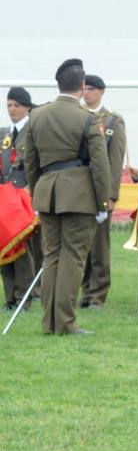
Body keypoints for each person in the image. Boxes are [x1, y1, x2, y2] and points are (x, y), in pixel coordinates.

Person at [20, 58, 110, 335]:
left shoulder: (37, 115)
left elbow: (31, 162)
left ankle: (50, 322)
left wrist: (38, 194)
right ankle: (66, 323)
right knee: (73, 257)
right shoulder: (89, 118)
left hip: (47, 193)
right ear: (82, 86)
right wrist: (102, 202)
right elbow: (100, 166)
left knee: (52, 257)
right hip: (78, 195)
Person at [79, 74, 127, 309]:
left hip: (100, 191)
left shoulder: (112, 122)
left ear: (101, 92)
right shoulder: (78, 116)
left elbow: (115, 161)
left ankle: (97, 293)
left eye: (91, 89)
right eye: (84, 88)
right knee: (82, 245)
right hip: (79, 191)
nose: (86, 93)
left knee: (99, 246)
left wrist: (110, 195)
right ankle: (85, 290)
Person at [2, 86, 36, 309]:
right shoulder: (4, 133)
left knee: (23, 249)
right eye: (9, 105)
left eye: (17, 105)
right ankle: (10, 297)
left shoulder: (34, 131)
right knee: (4, 246)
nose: (12, 109)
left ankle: (24, 295)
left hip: (24, 196)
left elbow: (38, 163)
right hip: (5, 197)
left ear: (27, 108)